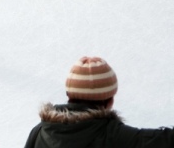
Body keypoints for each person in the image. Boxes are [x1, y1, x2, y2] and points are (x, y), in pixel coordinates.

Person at [24, 56, 174, 148]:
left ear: (69, 94)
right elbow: (163, 141)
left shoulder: (40, 132)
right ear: (109, 101)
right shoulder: (111, 134)